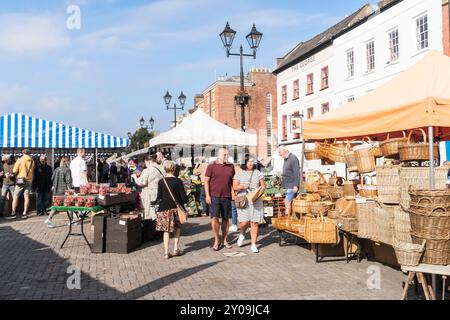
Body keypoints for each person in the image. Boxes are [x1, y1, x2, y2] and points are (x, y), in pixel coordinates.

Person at [155, 160, 188, 259]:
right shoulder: (178, 181)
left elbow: (159, 196)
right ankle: (175, 249)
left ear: (165, 169)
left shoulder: (161, 181)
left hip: (164, 209)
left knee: (166, 231)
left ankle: (166, 252)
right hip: (176, 209)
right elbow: (184, 199)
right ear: (174, 169)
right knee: (177, 229)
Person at [233, 155, 266, 253]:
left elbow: (263, 185)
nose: (251, 163)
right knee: (244, 223)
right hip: (243, 199)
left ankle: (253, 244)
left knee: (254, 223)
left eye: (253, 162)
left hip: (255, 200)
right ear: (245, 162)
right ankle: (242, 233)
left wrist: (261, 190)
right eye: (249, 161)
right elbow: (235, 187)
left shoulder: (258, 173)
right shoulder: (239, 173)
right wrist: (243, 186)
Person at [204, 148, 235, 251]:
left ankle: (225, 239)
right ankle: (216, 240)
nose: (226, 156)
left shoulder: (231, 166)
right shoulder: (211, 166)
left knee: (226, 219)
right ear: (219, 155)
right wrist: (207, 195)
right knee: (214, 219)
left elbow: (232, 181)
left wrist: (233, 192)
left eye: (227, 155)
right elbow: (206, 181)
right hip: (214, 197)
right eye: (224, 155)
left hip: (226, 196)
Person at [133, 154, 165, 221]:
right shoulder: (163, 168)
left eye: (145, 163)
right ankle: (160, 227)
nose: (145, 165)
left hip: (150, 194)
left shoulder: (147, 170)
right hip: (162, 193)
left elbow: (141, 183)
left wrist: (135, 177)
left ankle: (151, 228)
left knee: (150, 213)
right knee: (159, 211)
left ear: (149, 161)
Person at [45, 157, 72, 228]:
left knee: (56, 205)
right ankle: (71, 221)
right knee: (69, 205)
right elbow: (68, 181)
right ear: (67, 162)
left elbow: (52, 178)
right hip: (64, 191)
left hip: (56, 190)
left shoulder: (56, 169)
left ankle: (49, 218)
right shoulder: (67, 170)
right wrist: (70, 191)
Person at [8, 149, 35, 219]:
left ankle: (13, 212)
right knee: (26, 196)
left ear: (23, 153)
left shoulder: (20, 160)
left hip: (21, 180)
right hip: (29, 180)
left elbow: (14, 170)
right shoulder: (32, 161)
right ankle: (25, 213)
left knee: (16, 196)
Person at [278, 146, 300, 217]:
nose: (279, 154)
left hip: (292, 184)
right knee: (287, 202)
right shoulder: (286, 159)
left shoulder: (293, 158)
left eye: (280, 152)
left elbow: (296, 173)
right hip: (288, 185)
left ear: (284, 151)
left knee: (287, 202)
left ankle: (288, 218)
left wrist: (296, 185)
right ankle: (289, 217)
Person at [229, 163, 242, 232]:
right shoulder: (242, 174)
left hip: (236, 195)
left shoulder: (232, 175)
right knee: (241, 210)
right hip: (238, 195)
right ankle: (236, 225)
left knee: (235, 210)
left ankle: (234, 225)